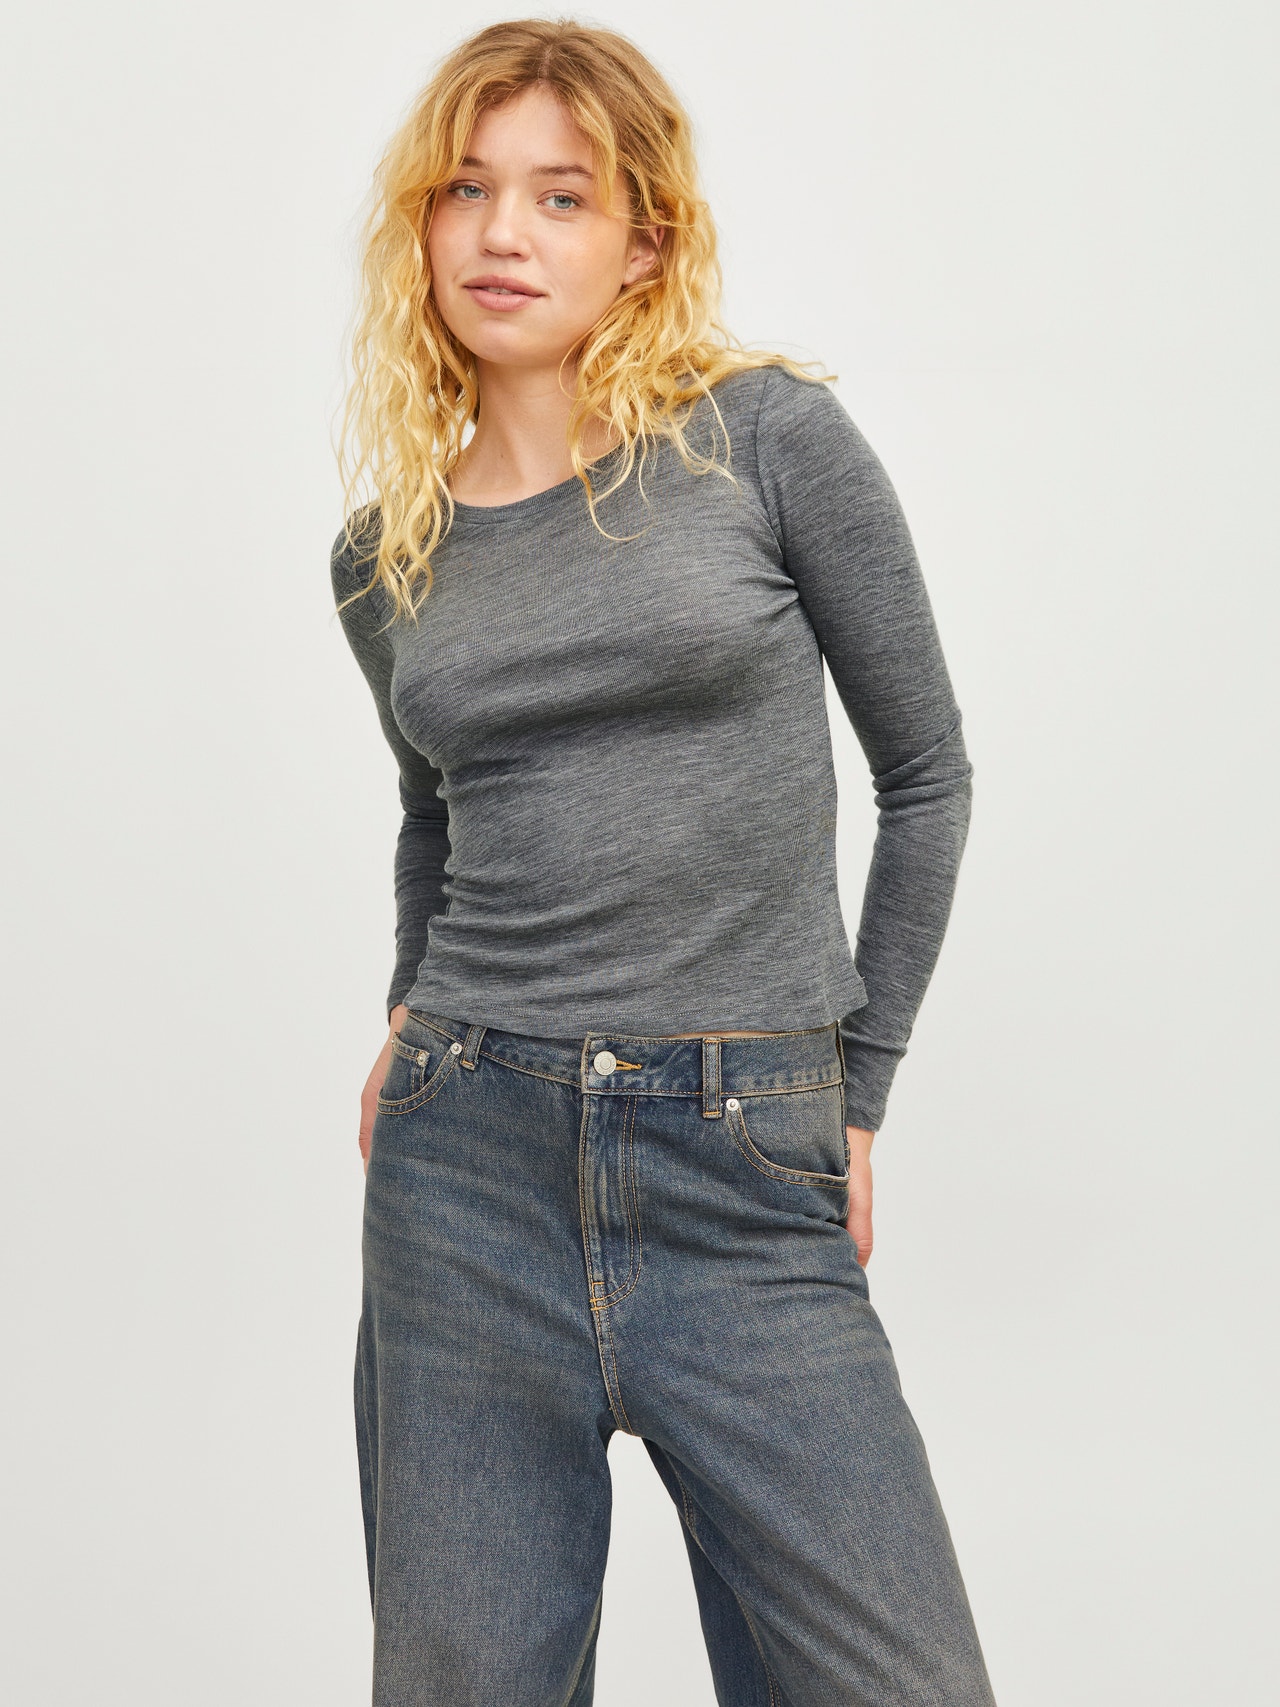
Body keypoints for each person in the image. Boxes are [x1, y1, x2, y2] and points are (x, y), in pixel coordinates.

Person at [330, 17, 996, 1706]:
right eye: (466, 190)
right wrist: (409, 1006)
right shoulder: (384, 553)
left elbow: (926, 777)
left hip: (741, 1154)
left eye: (561, 196)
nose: (502, 233)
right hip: (466, 1166)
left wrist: (854, 1092)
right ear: (422, 224)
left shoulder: (764, 442)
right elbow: (436, 812)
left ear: (645, 241)